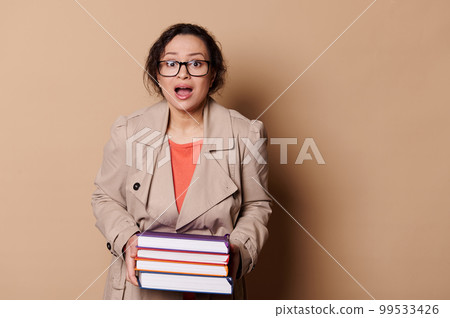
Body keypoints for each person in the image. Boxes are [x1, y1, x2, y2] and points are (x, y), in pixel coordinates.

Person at [92, 23, 272, 300]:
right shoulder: (128, 131)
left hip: (213, 290)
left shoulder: (246, 133)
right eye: (171, 63)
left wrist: (239, 249)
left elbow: (257, 206)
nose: (183, 73)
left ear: (213, 75)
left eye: (196, 63)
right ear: (158, 74)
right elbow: (105, 197)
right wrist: (128, 239)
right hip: (140, 292)